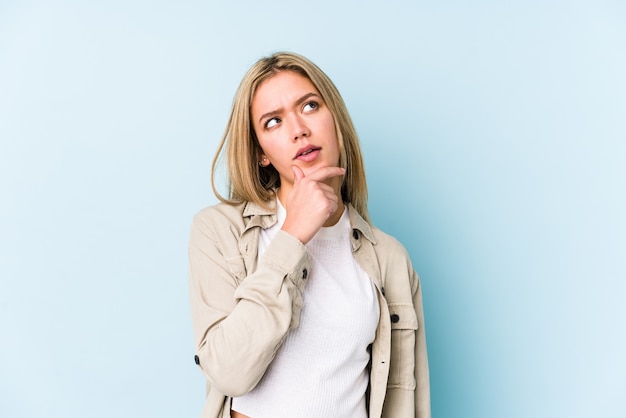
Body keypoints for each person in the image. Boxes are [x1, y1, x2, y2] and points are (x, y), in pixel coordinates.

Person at [188, 51, 430, 418]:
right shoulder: (221, 232)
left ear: (335, 119)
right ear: (261, 154)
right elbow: (228, 373)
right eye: (273, 122)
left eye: (310, 106)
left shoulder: (390, 258)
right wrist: (294, 235)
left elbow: (406, 401)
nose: (298, 129)